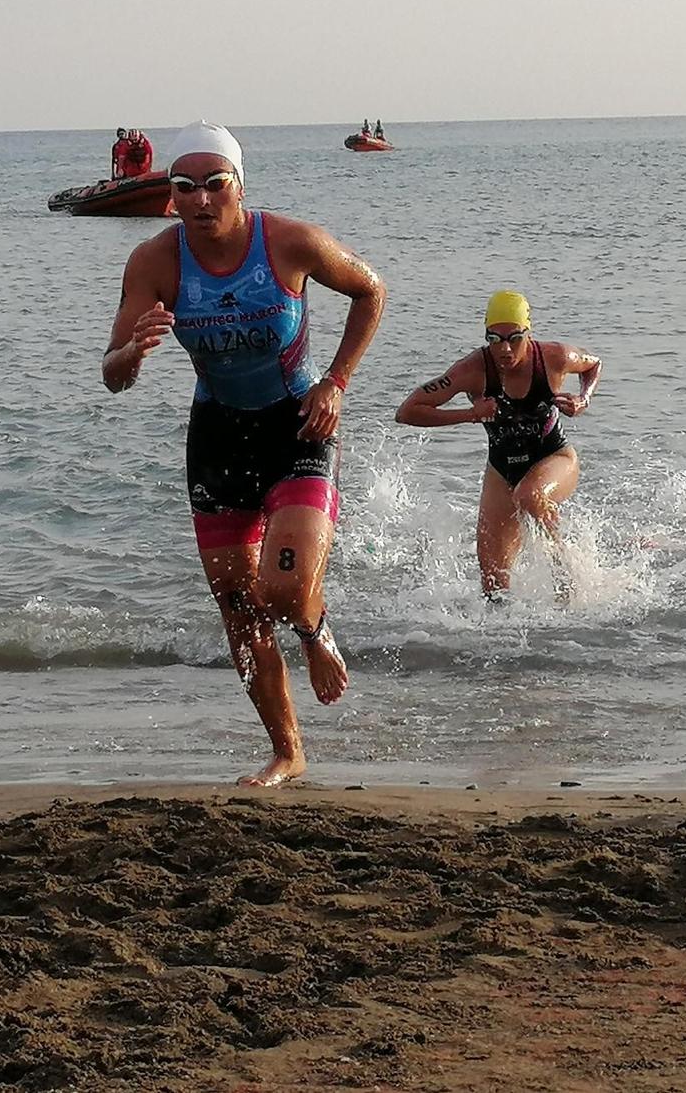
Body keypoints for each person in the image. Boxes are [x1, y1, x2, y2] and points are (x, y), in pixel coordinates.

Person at [101, 121, 386, 788]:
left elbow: (372, 291)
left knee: (285, 591)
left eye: (214, 185)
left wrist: (337, 383)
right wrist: (133, 354)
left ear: (239, 185)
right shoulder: (154, 262)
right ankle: (288, 750)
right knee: (238, 608)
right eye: (183, 188)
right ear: (171, 195)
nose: (200, 201)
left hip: (298, 425)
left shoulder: (290, 242)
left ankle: (315, 630)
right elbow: (111, 373)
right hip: (219, 434)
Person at [394, 291, 601, 599]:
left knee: (530, 495)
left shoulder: (555, 356)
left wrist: (583, 399)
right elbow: (408, 411)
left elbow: (593, 364)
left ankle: (567, 576)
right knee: (492, 587)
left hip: (554, 457)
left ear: (528, 333)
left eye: (514, 338)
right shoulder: (472, 370)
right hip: (501, 470)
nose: (504, 349)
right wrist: (470, 414)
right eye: (494, 339)